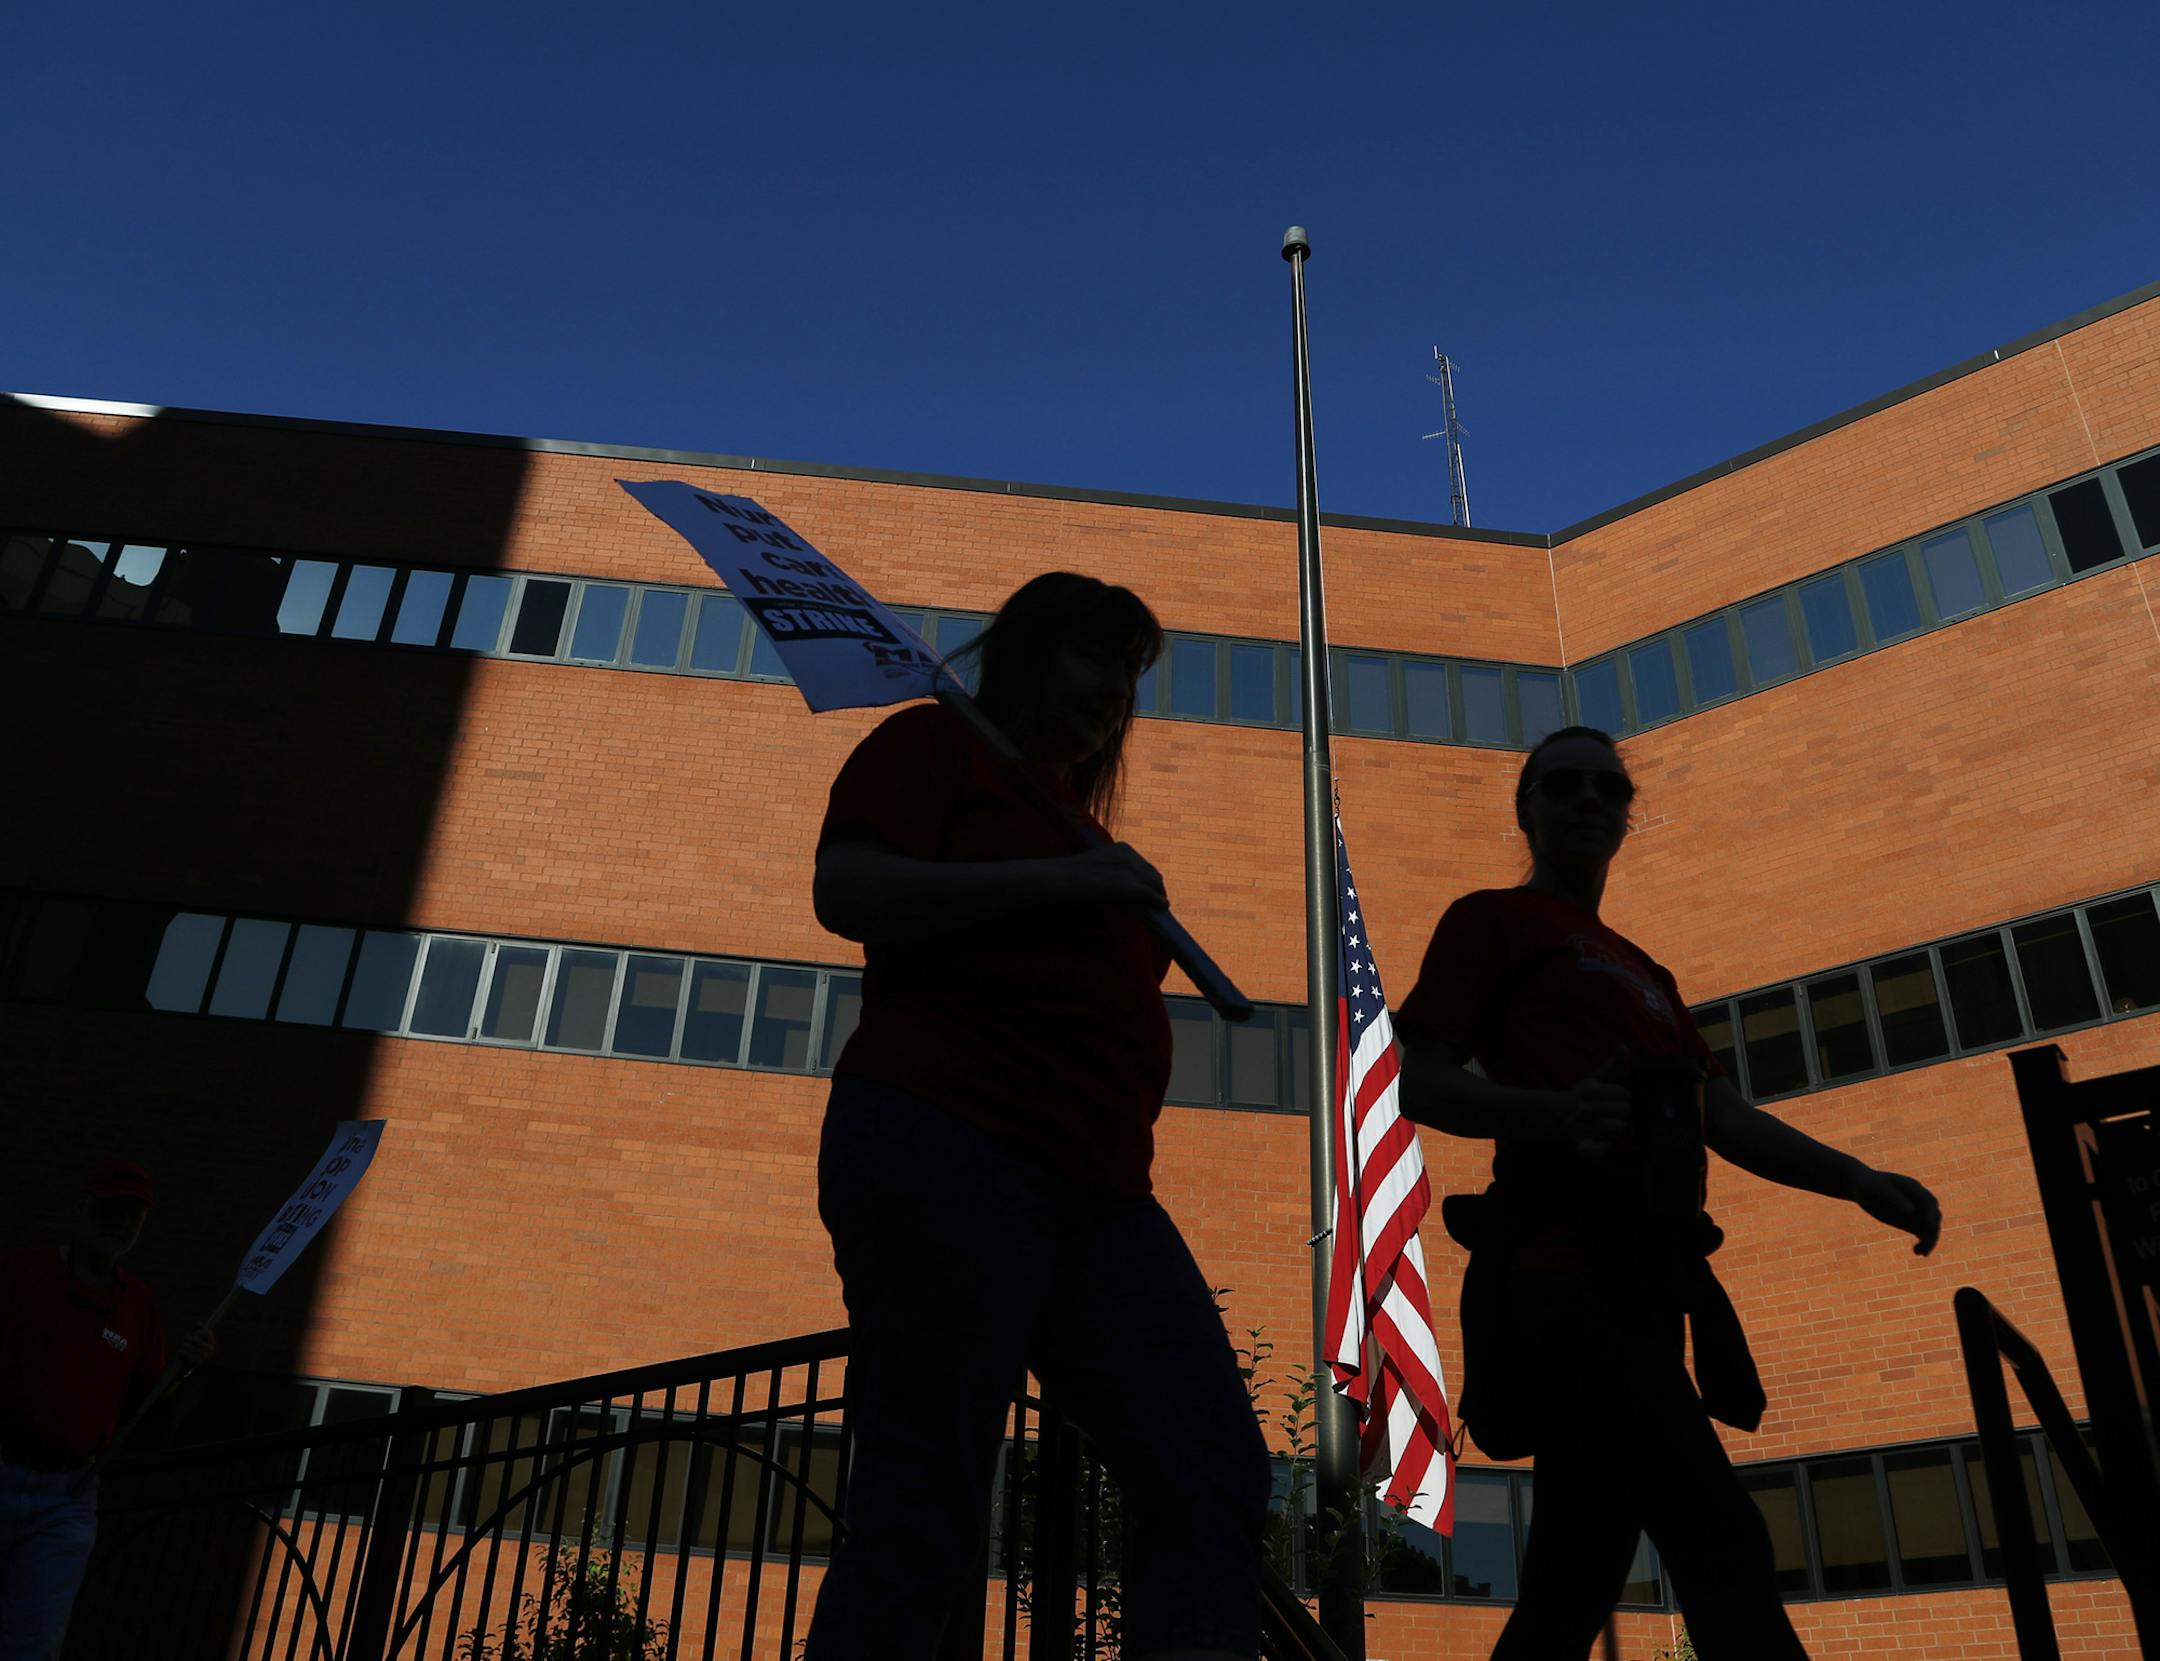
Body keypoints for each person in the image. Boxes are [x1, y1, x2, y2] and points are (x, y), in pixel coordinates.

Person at [1393, 726, 1942, 1660]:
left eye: (1608, 789)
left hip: (1649, 1284)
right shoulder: (1490, 921)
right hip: (1560, 1274)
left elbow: (1721, 1111)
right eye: (1562, 785)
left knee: (1575, 1578)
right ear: (1526, 809)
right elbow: (1419, 1081)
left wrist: (1854, 1177)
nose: (1588, 801)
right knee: (1715, 1526)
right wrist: (1553, 1114)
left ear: (1626, 816)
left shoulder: (1650, 974)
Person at [803, 572, 1272, 1661]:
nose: (1114, 688)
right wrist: (1063, 884)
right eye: (1092, 656)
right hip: (946, 1140)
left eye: (1129, 672)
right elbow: (850, 891)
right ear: (1021, 655)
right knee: (926, 1493)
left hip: (1102, 1194)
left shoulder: (1075, 826)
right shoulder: (932, 747)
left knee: (1212, 1466)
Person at [0, 1160, 215, 1661]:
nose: (120, 1224)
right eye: (111, 1210)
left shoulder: (138, 1306)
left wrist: (182, 1371)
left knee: (33, 1643)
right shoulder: (19, 1275)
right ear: (84, 1208)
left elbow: (145, 1402)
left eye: (132, 1217)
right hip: (4, 1463)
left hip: (69, 1493)